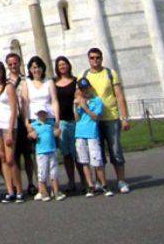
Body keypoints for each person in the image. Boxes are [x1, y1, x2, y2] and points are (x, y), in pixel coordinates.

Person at [78, 47, 130, 194]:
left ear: (101, 58)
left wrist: (124, 118)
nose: (95, 60)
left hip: (111, 118)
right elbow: (79, 94)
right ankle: (101, 182)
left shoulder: (110, 73)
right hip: (92, 121)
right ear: (88, 59)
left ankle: (121, 181)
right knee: (96, 152)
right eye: (92, 58)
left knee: (115, 150)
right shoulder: (84, 74)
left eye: (97, 57)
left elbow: (119, 95)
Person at [74, 78, 113, 197]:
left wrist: (85, 107)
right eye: (82, 89)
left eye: (86, 88)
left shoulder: (97, 101)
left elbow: (95, 117)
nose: (85, 91)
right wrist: (75, 106)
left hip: (92, 133)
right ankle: (90, 186)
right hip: (80, 133)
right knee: (84, 161)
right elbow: (76, 119)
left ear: (90, 87)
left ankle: (104, 185)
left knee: (97, 161)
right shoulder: (79, 102)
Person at [0, 60, 22, 203]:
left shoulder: (9, 87)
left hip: (9, 126)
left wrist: (9, 131)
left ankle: (19, 190)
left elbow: (14, 109)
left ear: (3, 72)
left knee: (10, 159)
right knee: (2, 158)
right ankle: (10, 191)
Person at [54, 55, 85, 192]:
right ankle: (71, 181)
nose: (62, 66)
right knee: (66, 154)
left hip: (75, 120)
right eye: (60, 65)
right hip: (62, 121)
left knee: (78, 152)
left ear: (68, 65)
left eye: (64, 64)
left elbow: (80, 97)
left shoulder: (76, 81)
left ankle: (84, 180)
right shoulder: (53, 83)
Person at [6, 52, 36, 196]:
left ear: (19, 63)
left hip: (26, 118)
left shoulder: (27, 80)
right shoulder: (6, 83)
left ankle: (31, 182)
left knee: (28, 154)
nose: (13, 66)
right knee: (15, 155)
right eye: (10, 64)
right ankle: (19, 186)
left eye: (15, 63)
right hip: (13, 120)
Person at [28, 108, 65, 201]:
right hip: (41, 151)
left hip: (52, 149)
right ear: (37, 115)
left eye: (43, 113)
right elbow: (29, 134)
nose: (42, 115)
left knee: (54, 171)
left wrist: (57, 132)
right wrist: (31, 135)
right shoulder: (34, 125)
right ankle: (43, 191)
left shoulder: (51, 123)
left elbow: (56, 130)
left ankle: (56, 191)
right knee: (42, 172)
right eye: (40, 113)